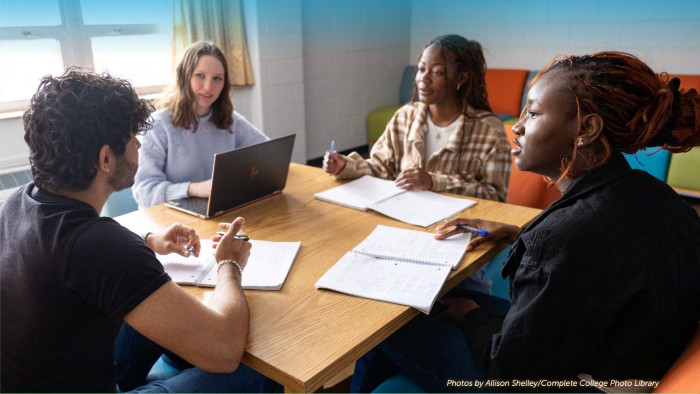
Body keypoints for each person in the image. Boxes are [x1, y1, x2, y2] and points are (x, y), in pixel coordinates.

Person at [350, 51, 700, 392]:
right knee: (441, 304)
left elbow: (509, 372)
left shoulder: (560, 239)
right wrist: (519, 234)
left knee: (386, 326)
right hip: (615, 358)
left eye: (532, 113)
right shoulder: (664, 199)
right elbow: (599, 262)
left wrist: (470, 316)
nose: (516, 126)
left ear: (586, 128)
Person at [0, 67, 280, 392]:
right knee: (264, 372)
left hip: (46, 376)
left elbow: (76, 256)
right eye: (132, 138)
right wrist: (228, 264)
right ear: (105, 158)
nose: (137, 146)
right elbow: (226, 351)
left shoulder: (19, 202)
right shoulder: (103, 246)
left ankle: (183, 354)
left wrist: (149, 240)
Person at [323, 34, 511, 202]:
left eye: (437, 72)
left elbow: (495, 196)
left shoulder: (489, 130)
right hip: (405, 219)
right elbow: (380, 167)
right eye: (421, 69)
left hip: (455, 229)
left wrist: (433, 181)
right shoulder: (405, 116)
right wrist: (345, 166)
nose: (424, 79)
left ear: (461, 78)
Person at [133, 41, 268, 208]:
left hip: (219, 211)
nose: (208, 87)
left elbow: (268, 155)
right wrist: (194, 189)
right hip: (169, 221)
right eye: (200, 76)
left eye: (217, 78)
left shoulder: (230, 120)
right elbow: (144, 192)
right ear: (184, 76)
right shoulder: (158, 126)